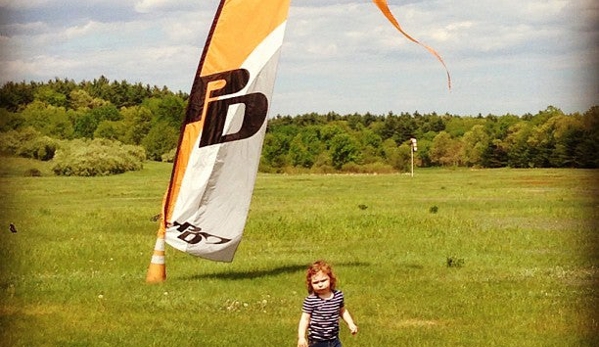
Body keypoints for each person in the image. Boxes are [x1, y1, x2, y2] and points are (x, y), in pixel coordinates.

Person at [297, 260, 358, 347]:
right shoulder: (311, 300)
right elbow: (305, 319)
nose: (320, 285)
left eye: (323, 280)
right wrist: (301, 337)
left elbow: (342, 311)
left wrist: (351, 323)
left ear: (331, 279)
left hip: (334, 339)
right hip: (317, 342)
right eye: (316, 282)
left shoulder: (338, 296)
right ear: (310, 284)